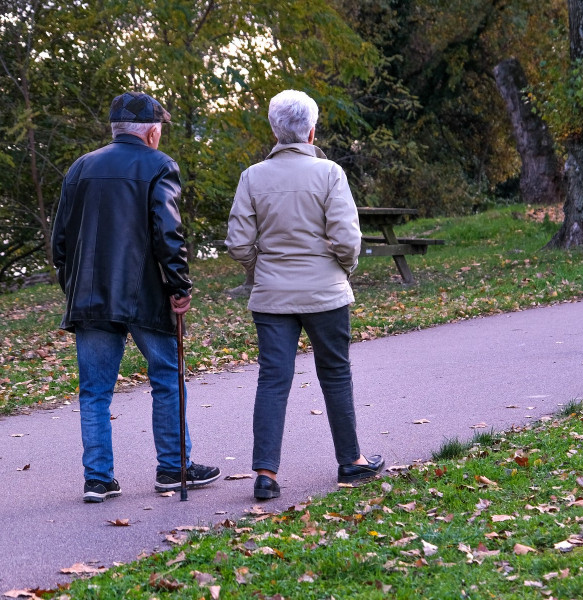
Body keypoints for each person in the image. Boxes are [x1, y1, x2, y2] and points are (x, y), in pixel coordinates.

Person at [52, 91, 220, 503]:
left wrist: (72, 285)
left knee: (94, 390)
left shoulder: (80, 168)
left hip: (89, 296)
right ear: (150, 132)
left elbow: (60, 242)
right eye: (159, 127)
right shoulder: (159, 165)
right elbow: (168, 233)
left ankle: (98, 478)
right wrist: (179, 287)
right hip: (144, 294)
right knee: (166, 376)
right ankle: (172, 467)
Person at [225, 89, 384, 501]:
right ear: (312, 130)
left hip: (271, 296)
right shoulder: (329, 173)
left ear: (275, 130)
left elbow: (239, 243)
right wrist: (340, 270)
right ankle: (351, 462)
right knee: (335, 373)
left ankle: (265, 473)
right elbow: (347, 239)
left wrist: (259, 270)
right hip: (325, 293)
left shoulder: (251, 176)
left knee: (273, 381)